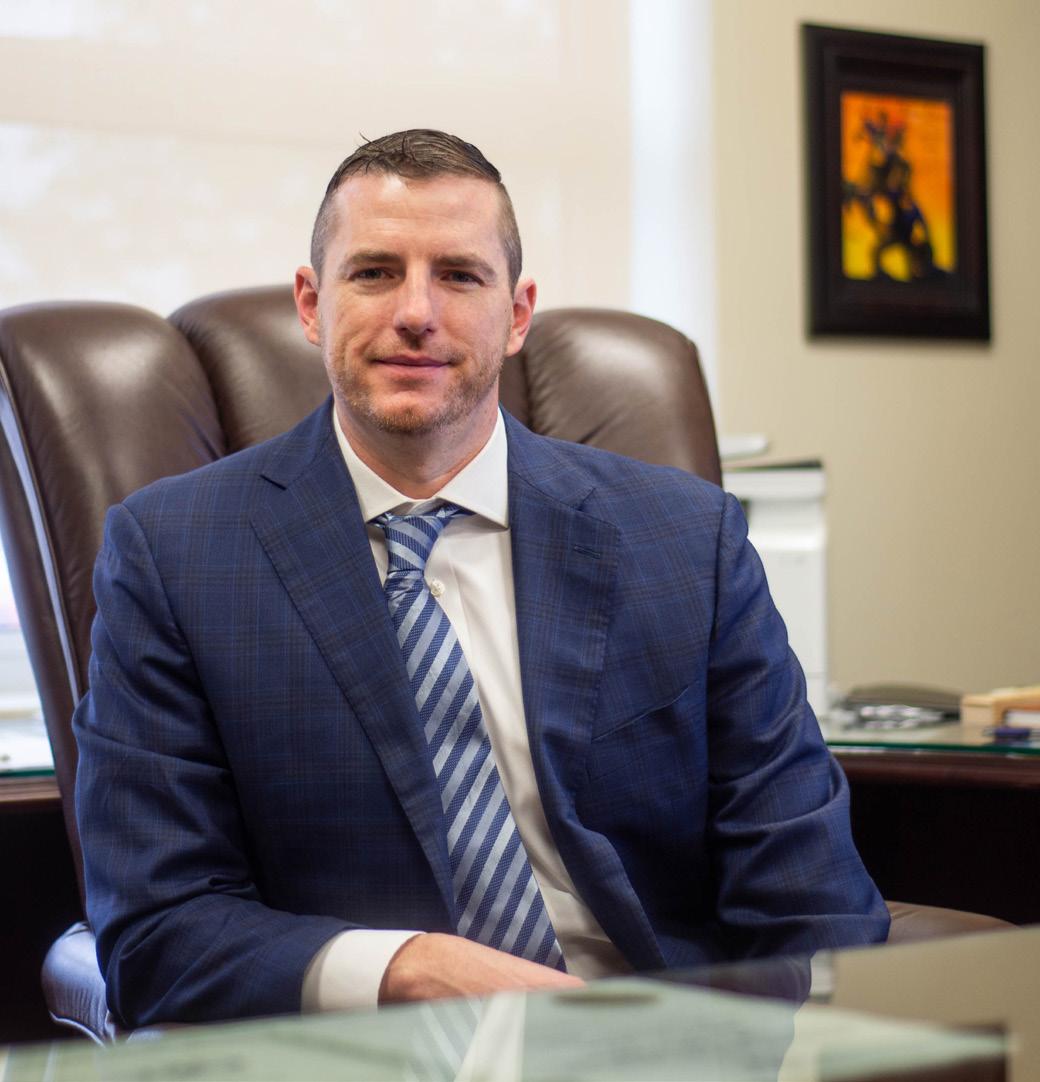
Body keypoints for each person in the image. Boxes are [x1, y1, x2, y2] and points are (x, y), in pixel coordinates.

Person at [74, 129, 889, 1029]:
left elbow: (813, 900)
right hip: (368, 1053)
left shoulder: (688, 540)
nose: (416, 312)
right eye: (374, 272)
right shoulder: (174, 554)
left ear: (518, 313)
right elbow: (156, 932)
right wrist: (411, 969)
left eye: (460, 276)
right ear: (311, 304)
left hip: (665, 1043)